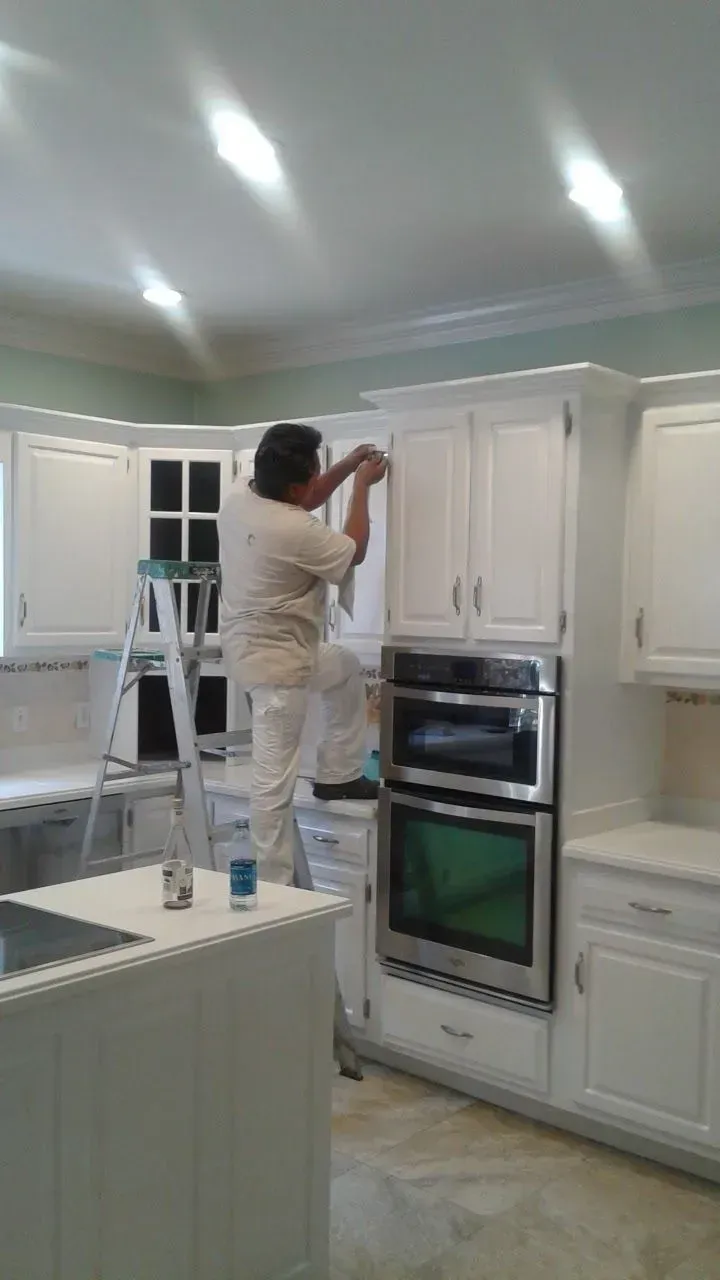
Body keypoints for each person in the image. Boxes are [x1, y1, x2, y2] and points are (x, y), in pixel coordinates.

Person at [218, 422, 388, 885]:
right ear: (294, 487)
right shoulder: (294, 530)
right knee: (273, 786)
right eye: (315, 472)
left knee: (345, 667)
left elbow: (305, 497)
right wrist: (361, 486)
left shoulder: (239, 495)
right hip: (277, 669)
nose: (316, 480)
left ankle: (338, 775)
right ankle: (272, 893)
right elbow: (354, 551)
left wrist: (347, 464)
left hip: (263, 646)